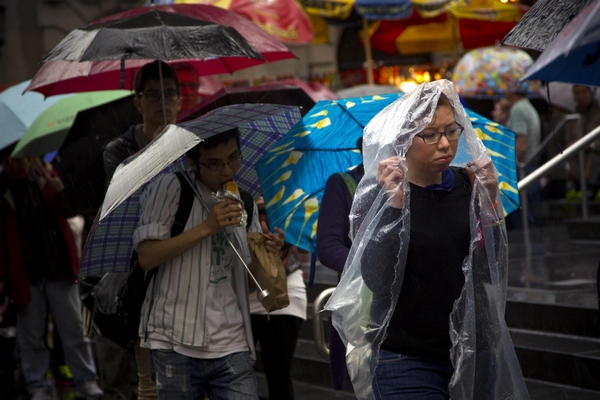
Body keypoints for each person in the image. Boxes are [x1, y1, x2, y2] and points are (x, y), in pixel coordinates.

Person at [325, 80, 529, 400]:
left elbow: (492, 266)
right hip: (405, 358)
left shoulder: (468, 183)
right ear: (404, 139)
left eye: (451, 131)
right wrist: (393, 206)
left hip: (472, 350)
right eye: (431, 135)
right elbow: (377, 280)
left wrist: (491, 204)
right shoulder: (385, 194)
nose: (445, 144)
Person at [134, 128, 284, 399]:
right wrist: (207, 227)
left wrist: (269, 254)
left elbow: (251, 281)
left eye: (233, 157)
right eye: (214, 164)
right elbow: (147, 256)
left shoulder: (245, 202)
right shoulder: (170, 188)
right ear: (193, 163)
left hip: (233, 342)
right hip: (173, 339)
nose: (227, 170)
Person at [101, 60, 182, 400]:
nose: (162, 102)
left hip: (182, 260)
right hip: (139, 268)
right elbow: (125, 205)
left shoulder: (190, 146)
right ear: (138, 101)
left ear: (180, 99)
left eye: (169, 94)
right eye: (152, 95)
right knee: (148, 381)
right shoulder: (118, 150)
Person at [0, 148, 103, 400]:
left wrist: (59, 191)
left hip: (58, 268)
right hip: (25, 274)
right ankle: (38, 384)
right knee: (31, 334)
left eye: (20, 158)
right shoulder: (3, 190)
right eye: (10, 160)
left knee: (74, 328)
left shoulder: (45, 176)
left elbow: (69, 211)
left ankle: (86, 379)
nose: (17, 165)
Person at [316, 137, 364, 391]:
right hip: (358, 312)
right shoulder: (344, 185)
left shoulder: (420, 185)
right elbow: (328, 247)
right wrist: (376, 267)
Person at [249, 197, 307, 400]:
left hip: (284, 298)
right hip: (246, 297)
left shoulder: (283, 215)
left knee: (278, 374)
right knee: (238, 372)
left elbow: (279, 267)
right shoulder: (239, 213)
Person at [506, 89, 542, 228]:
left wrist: (511, 169)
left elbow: (521, 145)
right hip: (532, 166)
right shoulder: (528, 107)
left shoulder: (517, 110)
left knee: (523, 220)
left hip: (523, 170)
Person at [567, 85, 600, 198]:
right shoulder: (572, 117)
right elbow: (568, 139)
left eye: (583, 92)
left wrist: (591, 145)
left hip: (595, 165)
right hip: (577, 169)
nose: (580, 96)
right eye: (577, 93)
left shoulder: (598, 113)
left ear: (590, 92)